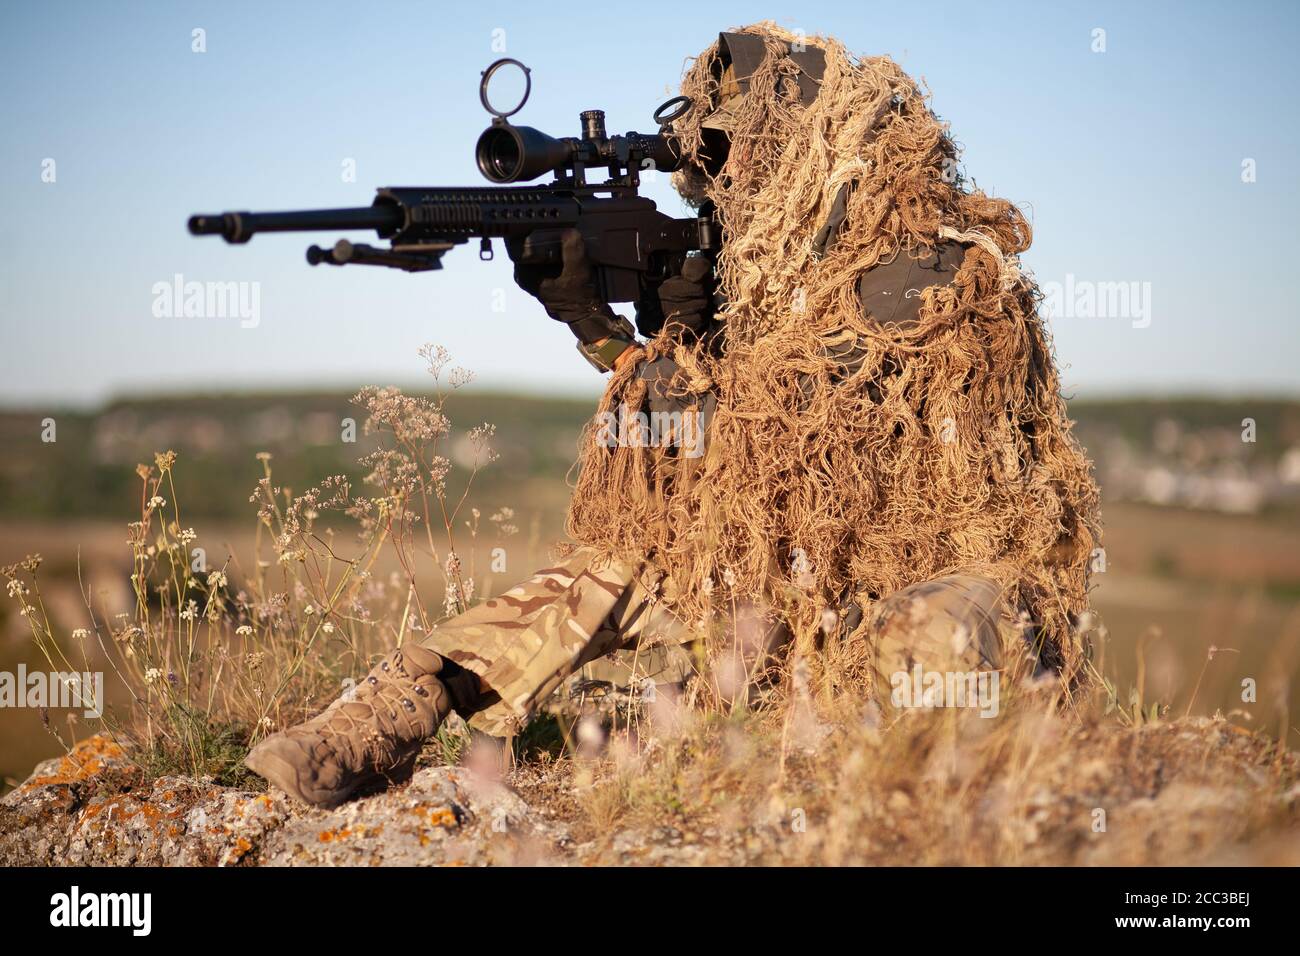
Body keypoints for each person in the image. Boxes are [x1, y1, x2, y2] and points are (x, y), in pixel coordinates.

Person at [246, 25, 1099, 808]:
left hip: (956, 577)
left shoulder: (925, 266)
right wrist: (638, 332)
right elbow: (682, 461)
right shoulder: (763, 283)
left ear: (820, 148)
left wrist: (632, 351)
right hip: (800, 576)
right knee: (608, 572)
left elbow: (799, 459)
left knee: (928, 640)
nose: (727, 182)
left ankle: (920, 796)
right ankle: (386, 713)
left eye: (742, 155)